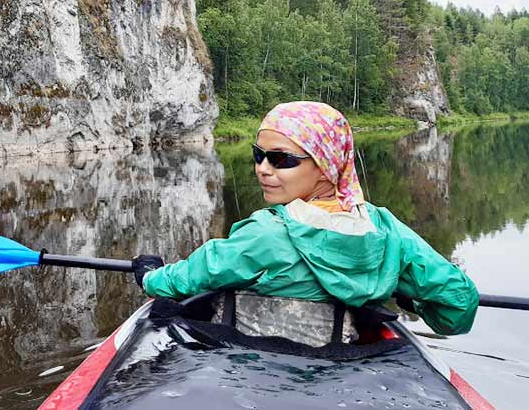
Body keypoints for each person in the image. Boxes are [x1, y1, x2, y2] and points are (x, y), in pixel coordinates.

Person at [132, 101, 480, 336]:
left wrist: (149, 276)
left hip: (258, 375)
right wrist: (412, 299)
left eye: (281, 160)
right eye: (259, 155)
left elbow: (193, 274)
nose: (262, 169)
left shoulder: (267, 232)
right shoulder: (387, 231)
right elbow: (458, 307)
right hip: (344, 373)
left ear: (327, 166)